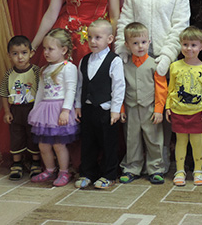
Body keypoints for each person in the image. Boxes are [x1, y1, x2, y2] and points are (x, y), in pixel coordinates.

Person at [74, 19, 125, 189]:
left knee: (108, 144)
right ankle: (88, 173)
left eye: (98, 37)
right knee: (88, 143)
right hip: (88, 109)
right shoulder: (84, 60)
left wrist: (115, 110)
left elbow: (119, 86)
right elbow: (80, 85)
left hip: (106, 109)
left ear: (110, 39)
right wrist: (78, 105)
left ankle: (109, 175)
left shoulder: (114, 61)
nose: (93, 41)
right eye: (90, 37)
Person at [27, 29, 79, 187]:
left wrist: (65, 110)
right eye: (44, 48)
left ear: (63, 50)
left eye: (50, 49)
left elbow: (71, 90)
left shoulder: (68, 67)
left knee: (58, 144)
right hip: (45, 110)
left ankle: (64, 172)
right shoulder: (44, 69)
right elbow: (40, 91)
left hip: (59, 109)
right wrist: (35, 110)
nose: (46, 52)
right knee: (43, 144)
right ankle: (49, 170)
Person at [165, 26, 202, 187]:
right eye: (185, 44)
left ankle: (198, 170)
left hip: (197, 112)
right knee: (180, 142)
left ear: (201, 46)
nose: (189, 48)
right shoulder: (175, 66)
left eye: (193, 45)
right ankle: (180, 170)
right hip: (178, 111)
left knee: (196, 142)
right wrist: (168, 107)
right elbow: (171, 89)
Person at [119, 22, 168, 185]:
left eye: (143, 42)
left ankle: (156, 169)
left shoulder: (155, 65)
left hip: (150, 109)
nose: (140, 46)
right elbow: (119, 89)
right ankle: (132, 168)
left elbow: (161, 89)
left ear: (149, 42)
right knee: (131, 139)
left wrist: (159, 109)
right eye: (135, 43)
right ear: (127, 45)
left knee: (154, 139)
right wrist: (121, 109)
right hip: (131, 109)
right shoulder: (124, 65)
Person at [0, 36, 41, 180]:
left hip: (32, 109)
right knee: (16, 136)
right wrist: (7, 112)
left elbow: (42, 91)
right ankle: (17, 164)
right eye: (15, 54)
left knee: (33, 135)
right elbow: (4, 94)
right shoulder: (9, 74)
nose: (20, 57)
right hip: (16, 110)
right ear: (9, 55)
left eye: (24, 53)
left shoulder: (36, 71)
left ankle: (36, 162)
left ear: (31, 53)